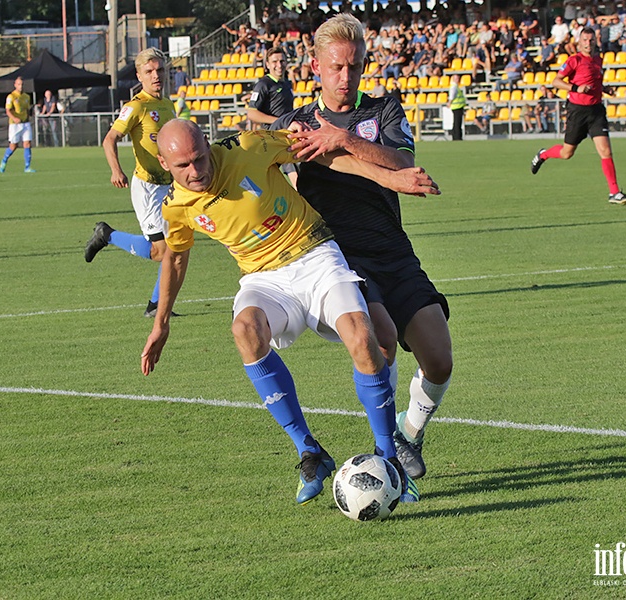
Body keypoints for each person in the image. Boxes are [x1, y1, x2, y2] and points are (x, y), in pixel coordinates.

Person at [142, 120, 440, 504]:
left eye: (200, 158)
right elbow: (175, 259)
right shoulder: (176, 206)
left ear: (206, 143)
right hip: (263, 277)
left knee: (362, 335)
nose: (196, 171)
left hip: (315, 253)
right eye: (183, 165)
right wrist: (161, 323)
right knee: (244, 329)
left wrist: (389, 177)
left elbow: (323, 153)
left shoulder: (249, 146)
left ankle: (389, 458)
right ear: (165, 163)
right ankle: (309, 451)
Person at [274, 14, 454, 482]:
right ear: (315, 65)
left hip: (394, 250)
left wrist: (346, 137)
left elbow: (404, 163)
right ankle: (384, 445)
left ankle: (406, 433)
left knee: (439, 358)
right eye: (336, 67)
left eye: (354, 66)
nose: (346, 76)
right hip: (340, 257)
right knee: (382, 337)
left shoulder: (384, 111)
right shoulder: (293, 124)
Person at [86, 48, 178, 318]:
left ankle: (156, 307)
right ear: (139, 75)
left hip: (170, 186)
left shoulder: (168, 104)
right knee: (159, 252)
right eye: (149, 72)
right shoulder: (135, 106)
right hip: (148, 188)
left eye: (159, 70)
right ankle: (107, 235)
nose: (156, 76)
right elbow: (109, 139)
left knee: (175, 246)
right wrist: (116, 170)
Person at [530, 27, 626, 205]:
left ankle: (614, 192)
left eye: (591, 40)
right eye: (585, 40)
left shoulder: (598, 60)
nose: (588, 43)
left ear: (595, 41)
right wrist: (576, 88)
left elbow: (595, 82)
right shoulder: (574, 60)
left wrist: (605, 89)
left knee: (606, 151)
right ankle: (544, 154)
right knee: (567, 153)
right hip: (577, 111)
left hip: (596, 111)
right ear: (579, 41)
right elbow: (556, 81)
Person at [246, 47, 295, 127]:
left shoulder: (286, 83)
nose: (279, 65)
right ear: (267, 64)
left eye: (282, 61)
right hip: (272, 134)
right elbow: (252, 113)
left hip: (286, 132)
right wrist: (279, 121)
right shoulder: (263, 84)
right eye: (274, 62)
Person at [0, 76, 35, 173]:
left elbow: (27, 110)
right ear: (15, 85)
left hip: (25, 123)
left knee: (27, 143)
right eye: (19, 84)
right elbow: (8, 110)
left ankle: (27, 167)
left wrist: (29, 117)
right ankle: (4, 160)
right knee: (13, 146)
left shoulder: (27, 97)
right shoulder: (11, 97)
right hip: (15, 125)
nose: (21, 86)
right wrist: (14, 118)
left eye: (22, 84)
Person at [447, 73, 466, 141]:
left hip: (457, 106)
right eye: (456, 78)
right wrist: (449, 103)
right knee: (457, 123)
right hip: (457, 107)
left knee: (456, 122)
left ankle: (456, 136)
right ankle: (457, 137)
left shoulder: (455, 86)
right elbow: (452, 96)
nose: (458, 80)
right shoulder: (454, 87)